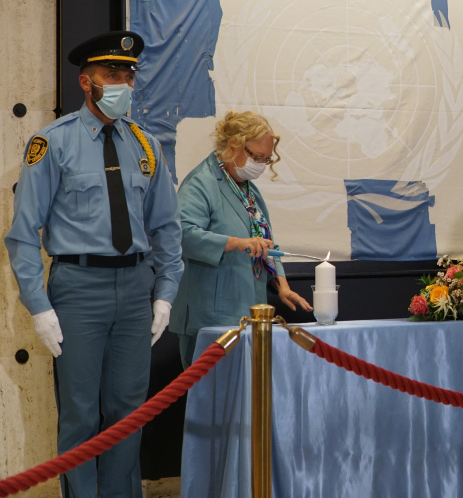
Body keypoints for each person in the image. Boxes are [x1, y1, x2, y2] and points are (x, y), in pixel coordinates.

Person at [5, 31, 184, 497]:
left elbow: (166, 227)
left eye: (128, 74)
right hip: (78, 287)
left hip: (136, 288)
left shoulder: (145, 146)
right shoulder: (52, 143)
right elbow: (23, 235)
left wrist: (165, 292)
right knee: (82, 412)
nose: (122, 82)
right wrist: (39, 306)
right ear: (87, 82)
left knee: (129, 410)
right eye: (112, 74)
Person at [168, 110, 311, 367]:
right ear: (233, 146)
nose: (260, 165)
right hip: (210, 318)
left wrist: (282, 285)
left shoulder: (247, 189)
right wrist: (239, 242)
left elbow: (267, 242)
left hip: (248, 312)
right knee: (213, 398)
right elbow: (183, 236)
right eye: (256, 157)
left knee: (244, 399)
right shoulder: (201, 183)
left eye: (266, 160)